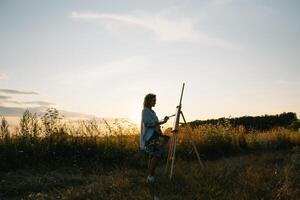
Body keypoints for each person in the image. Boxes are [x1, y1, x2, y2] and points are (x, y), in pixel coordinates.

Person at [140, 93, 169, 183]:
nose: (155, 102)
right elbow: (148, 123)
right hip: (150, 136)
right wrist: (162, 122)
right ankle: (150, 176)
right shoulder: (145, 111)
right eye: (154, 100)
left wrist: (160, 130)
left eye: (155, 100)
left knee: (152, 155)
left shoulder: (152, 112)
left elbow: (155, 124)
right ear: (148, 101)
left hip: (155, 135)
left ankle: (150, 176)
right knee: (156, 155)